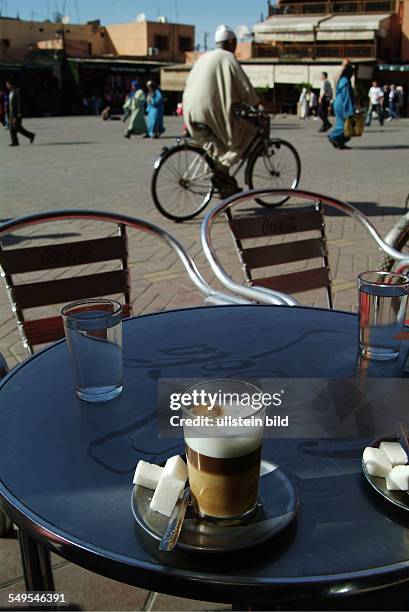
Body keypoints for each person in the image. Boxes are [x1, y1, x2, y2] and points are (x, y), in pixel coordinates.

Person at [183, 24, 260, 197]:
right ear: (232, 42)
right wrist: (257, 102)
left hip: (190, 111)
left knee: (218, 143)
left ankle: (224, 182)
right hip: (209, 112)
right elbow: (245, 88)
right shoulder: (228, 58)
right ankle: (222, 171)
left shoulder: (204, 57)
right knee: (248, 131)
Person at [328, 61, 355, 150]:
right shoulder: (345, 81)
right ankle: (333, 136)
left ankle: (340, 143)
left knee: (341, 124)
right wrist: (350, 111)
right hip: (342, 104)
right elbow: (346, 97)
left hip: (338, 103)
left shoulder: (340, 80)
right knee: (344, 126)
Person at [5, 79, 35, 147]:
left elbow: (19, 103)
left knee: (16, 126)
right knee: (11, 128)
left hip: (16, 112)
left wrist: (19, 112)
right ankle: (14, 141)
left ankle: (30, 135)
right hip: (11, 112)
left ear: (11, 84)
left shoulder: (17, 91)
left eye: (8, 84)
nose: (7, 86)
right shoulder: (10, 92)